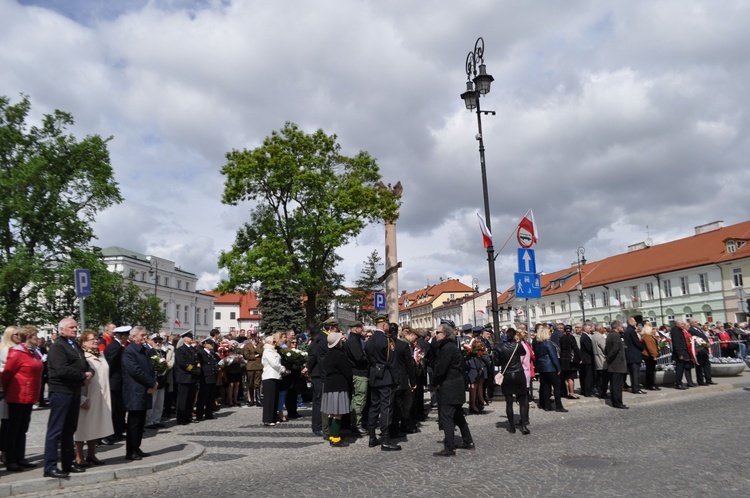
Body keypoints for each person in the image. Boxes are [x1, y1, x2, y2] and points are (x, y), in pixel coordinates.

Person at [44, 318, 93, 478]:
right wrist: (81, 376)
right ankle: (50, 466)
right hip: (61, 391)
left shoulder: (75, 345)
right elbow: (61, 369)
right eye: (71, 327)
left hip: (74, 390)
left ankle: (68, 462)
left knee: (69, 429)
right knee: (56, 430)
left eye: (75, 326)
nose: (75, 329)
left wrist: (90, 372)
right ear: (62, 330)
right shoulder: (58, 346)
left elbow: (84, 363)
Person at [1, 325, 43, 471]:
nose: (38, 338)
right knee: (13, 430)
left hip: (29, 396)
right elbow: (6, 374)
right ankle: (11, 460)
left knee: (22, 429)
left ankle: (20, 457)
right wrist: (8, 392)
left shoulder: (34, 353)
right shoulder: (16, 353)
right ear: (28, 337)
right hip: (17, 396)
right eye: (35, 336)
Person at [432, 321, 474, 456]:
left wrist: (434, 382)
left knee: (447, 416)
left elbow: (441, 369)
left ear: (444, 334)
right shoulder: (448, 346)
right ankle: (468, 441)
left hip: (450, 385)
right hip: (455, 384)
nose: (435, 334)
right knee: (457, 415)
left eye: (437, 332)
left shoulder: (447, 348)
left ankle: (450, 447)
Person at [73, 329, 113, 466]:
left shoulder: (101, 355)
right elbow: (77, 379)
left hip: (100, 397)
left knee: (94, 427)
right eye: (92, 339)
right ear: (84, 342)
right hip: (86, 397)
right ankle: (79, 456)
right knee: (81, 428)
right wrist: (81, 399)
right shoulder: (81, 356)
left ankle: (92, 455)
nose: (96, 340)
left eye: (96, 338)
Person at [364, 315, 400, 451]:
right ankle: (385, 439)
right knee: (386, 407)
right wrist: (396, 379)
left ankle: (372, 437)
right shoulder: (387, 340)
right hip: (385, 376)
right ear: (384, 325)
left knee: (374, 406)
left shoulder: (369, 341)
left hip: (374, 376)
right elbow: (391, 362)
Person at [122, 326, 157, 461]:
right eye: (142, 335)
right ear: (134, 336)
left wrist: (153, 381)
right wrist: (151, 383)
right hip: (135, 391)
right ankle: (130, 451)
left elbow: (150, 368)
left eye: (145, 335)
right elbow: (135, 371)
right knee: (134, 423)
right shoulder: (129, 351)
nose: (144, 337)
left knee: (141, 422)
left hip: (144, 390)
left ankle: (137, 447)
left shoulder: (144, 350)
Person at [322, 331, 353, 447]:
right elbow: (348, 372)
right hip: (339, 386)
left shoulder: (327, 355)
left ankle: (331, 435)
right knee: (337, 413)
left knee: (331, 413)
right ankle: (335, 438)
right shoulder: (340, 355)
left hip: (329, 386)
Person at [496, 328, 529, 434]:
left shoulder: (500, 347)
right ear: (514, 335)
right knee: (523, 401)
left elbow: (497, 362)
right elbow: (523, 353)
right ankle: (524, 426)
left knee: (509, 402)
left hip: (507, 375)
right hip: (519, 373)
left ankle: (511, 427)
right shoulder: (518, 345)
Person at [102, 325, 131, 445]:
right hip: (114, 383)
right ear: (123, 336)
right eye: (127, 335)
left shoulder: (117, 346)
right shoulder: (115, 347)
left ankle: (118, 432)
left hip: (117, 383)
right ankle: (111, 434)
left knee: (119, 410)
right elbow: (110, 365)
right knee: (114, 410)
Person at [0, 325, 22, 464]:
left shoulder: (17, 349)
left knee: (10, 424)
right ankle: (5, 453)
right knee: (6, 424)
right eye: (16, 335)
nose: (19, 337)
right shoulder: (6, 349)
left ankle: (8, 452)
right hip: (4, 391)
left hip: (12, 390)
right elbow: (5, 371)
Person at [534, 325, 567, 413]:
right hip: (551, 367)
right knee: (556, 387)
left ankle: (547, 406)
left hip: (542, 368)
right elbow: (554, 357)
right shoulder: (548, 343)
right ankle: (559, 405)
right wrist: (558, 368)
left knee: (545, 386)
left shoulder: (538, 345)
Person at [345, 320, 369, 436]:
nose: (362, 329)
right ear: (355, 329)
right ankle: (356, 425)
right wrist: (367, 358)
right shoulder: (353, 341)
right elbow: (358, 358)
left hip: (358, 372)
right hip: (358, 373)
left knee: (358, 398)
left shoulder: (354, 340)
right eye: (361, 327)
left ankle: (356, 423)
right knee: (359, 399)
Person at [174, 330, 201, 425]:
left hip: (192, 377)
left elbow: (197, 360)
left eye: (191, 336)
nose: (191, 338)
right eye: (189, 336)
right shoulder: (180, 350)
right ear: (184, 338)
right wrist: (192, 370)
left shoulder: (193, 349)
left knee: (190, 399)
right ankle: (181, 418)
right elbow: (182, 363)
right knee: (183, 399)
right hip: (184, 377)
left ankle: (188, 416)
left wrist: (198, 368)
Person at [261, 335, 286, 426]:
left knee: (274, 398)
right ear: (270, 342)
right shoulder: (267, 351)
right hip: (269, 376)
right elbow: (274, 363)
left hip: (276, 376)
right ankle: (267, 419)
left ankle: (273, 418)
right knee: (269, 399)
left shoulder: (272, 351)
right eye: (274, 342)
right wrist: (282, 369)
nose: (275, 343)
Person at [605, 320, 628, 409]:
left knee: (614, 383)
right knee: (617, 384)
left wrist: (607, 357)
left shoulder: (609, 335)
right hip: (617, 363)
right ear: (617, 327)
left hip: (613, 363)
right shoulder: (616, 336)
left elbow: (606, 348)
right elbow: (615, 350)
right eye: (621, 326)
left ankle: (615, 401)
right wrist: (608, 358)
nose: (622, 328)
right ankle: (618, 402)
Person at [195, 338, 219, 421]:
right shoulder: (201, 353)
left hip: (212, 377)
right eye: (210, 344)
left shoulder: (211, 354)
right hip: (205, 377)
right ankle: (199, 414)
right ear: (205, 344)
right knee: (202, 397)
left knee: (210, 397)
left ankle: (209, 413)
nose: (212, 345)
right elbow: (199, 365)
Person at [688, 318, 716, 386]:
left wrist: (707, 343)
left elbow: (703, 337)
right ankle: (700, 381)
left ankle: (708, 379)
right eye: (695, 322)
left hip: (704, 348)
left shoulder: (698, 329)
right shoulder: (691, 330)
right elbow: (695, 339)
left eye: (696, 321)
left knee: (707, 364)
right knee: (699, 366)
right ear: (691, 323)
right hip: (699, 349)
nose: (696, 323)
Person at [623, 317, 646, 394]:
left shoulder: (626, 331)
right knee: (635, 373)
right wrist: (643, 347)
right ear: (630, 322)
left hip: (629, 355)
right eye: (634, 321)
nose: (636, 322)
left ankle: (634, 387)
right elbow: (636, 342)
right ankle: (636, 388)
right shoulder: (631, 331)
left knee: (632, 373)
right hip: (634, 355)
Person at [559, 324, 581, 399]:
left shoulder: (561, 338)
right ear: (571, 330)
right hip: (571, 359)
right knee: (571, 377)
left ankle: (567, 392)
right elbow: (575, 348)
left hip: (563, 359)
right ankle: (572, 393)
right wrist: (580, 357)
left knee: (565, 377)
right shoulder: (572, 337)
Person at [242, 331, 264, 407]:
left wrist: (255, 348)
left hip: (258, 366)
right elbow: (246, 355)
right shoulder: (247, 345)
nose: (254, 337)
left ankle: (258, 400)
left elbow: (262, 352)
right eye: (252, 336)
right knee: (250, 383)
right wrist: (255, 356)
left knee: (257, 383)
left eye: (255, 336)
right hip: (250, 366)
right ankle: (251, 400)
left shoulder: (261, 345)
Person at [640, 323, 661, 391]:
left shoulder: (649, 336)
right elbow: (650, 347)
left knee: (651, 370)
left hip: (650, 355)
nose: (653, 330)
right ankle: (650, 385)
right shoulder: (647, 336)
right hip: (649, 356)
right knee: (650, 371)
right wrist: (654, 355)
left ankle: (651, 384)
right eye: (652, 329)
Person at [670, 320, 690, 390]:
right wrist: (680, 354)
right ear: (677, 324)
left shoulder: (679, 331)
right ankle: (678, 383)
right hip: (679, 354)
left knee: (681, 369)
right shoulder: (675, 332)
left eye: (683, 324)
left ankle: (680, 382)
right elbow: (676, 344)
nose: (683, 325)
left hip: (682, 352)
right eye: (681, 324)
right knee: (679, 369)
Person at [578, 321, 595, 397]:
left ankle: (586, 390)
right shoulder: (584, 337)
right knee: (588, 376)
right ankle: (587, 391)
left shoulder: (585, 336)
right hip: (587, 359)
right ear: (585, 328)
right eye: (589, 327)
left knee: (587, 376)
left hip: (587, 359)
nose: (590, 329)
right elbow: (589, 348)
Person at [592, 324, 609, 399]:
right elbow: (605, 347)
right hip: (602, 359)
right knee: (603, 378)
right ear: (599, 329)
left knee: (600, 378)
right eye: (602, 328)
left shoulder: (594, 336)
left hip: (597, 358)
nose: (604, 329)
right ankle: (603, 393)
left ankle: (600, 391)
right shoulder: (600, 337)